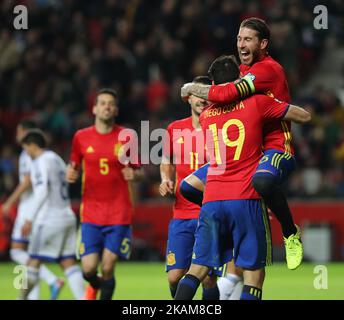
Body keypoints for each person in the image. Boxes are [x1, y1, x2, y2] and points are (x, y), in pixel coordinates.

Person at [174, 55, 311, 300]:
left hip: (212, 200)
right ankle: (290, 233)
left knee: (196, 271)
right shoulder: (256, 103)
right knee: (253, 275)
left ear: (214, 86)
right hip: (245, 197)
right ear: (239, 79)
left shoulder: (206, 116)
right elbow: (303, 116)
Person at [66, 88, 144, 300]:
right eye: (102, 103)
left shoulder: (126, 137)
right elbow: (73, 166)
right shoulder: (81, 137)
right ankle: (95, 285)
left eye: (110, 103)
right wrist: (70, 174)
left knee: (108, 266)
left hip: (118, 212)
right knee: (89, 269)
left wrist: (134, 175)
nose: (106, 106)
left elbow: (140, 172)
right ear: (94, 108)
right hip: (91, 213)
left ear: (116, 110)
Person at [160, 76, 220, 300]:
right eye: (198, 93)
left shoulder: (219, 129)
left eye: (206, 93)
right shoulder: (174, 129)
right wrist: (165, 179)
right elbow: (166, 160)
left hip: (209, 213)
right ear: (188, 97)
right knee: (174, 276)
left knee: (208, 278)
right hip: (181, 214)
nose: (202, 98)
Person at [18, 129, 85, 300]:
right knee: (68, 263)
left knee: (32, 263)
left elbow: (41, 192)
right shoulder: (56, 158)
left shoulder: (40, 161)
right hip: (67, 216)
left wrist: (29, 219)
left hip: (49, 219)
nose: (26, 153)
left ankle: (20, 298)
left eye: (26, 148)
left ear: (33, 145)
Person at [2, 120, 63, 300]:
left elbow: (27, 181)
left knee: (17, 251)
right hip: (38, 207)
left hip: (29, 207)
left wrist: (9, 202)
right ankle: (32, 296)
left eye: (18, 132)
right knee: (30, 255)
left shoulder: (28, 154)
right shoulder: (47, 155)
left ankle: (52, 281)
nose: (16, 136)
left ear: (23, 132)